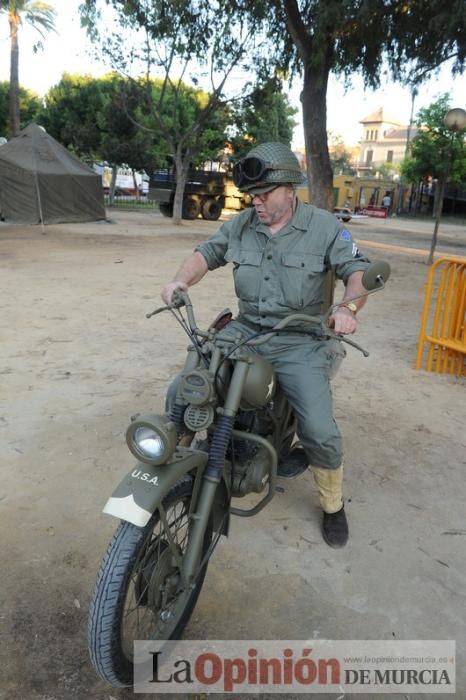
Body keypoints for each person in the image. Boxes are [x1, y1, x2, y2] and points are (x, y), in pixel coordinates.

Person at [161, 142, 371, 548]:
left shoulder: (326, 227)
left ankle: (332, 505)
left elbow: (357, 270)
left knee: (319, 428)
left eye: (264, 195)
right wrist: (180, 280)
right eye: (252, 196)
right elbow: (206, 253)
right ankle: (174, 468)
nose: (256, 203)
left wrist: (348, 308)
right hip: (247, 330)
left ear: (290, 190)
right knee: (185, 389)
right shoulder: (241, 225)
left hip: (301, 337)